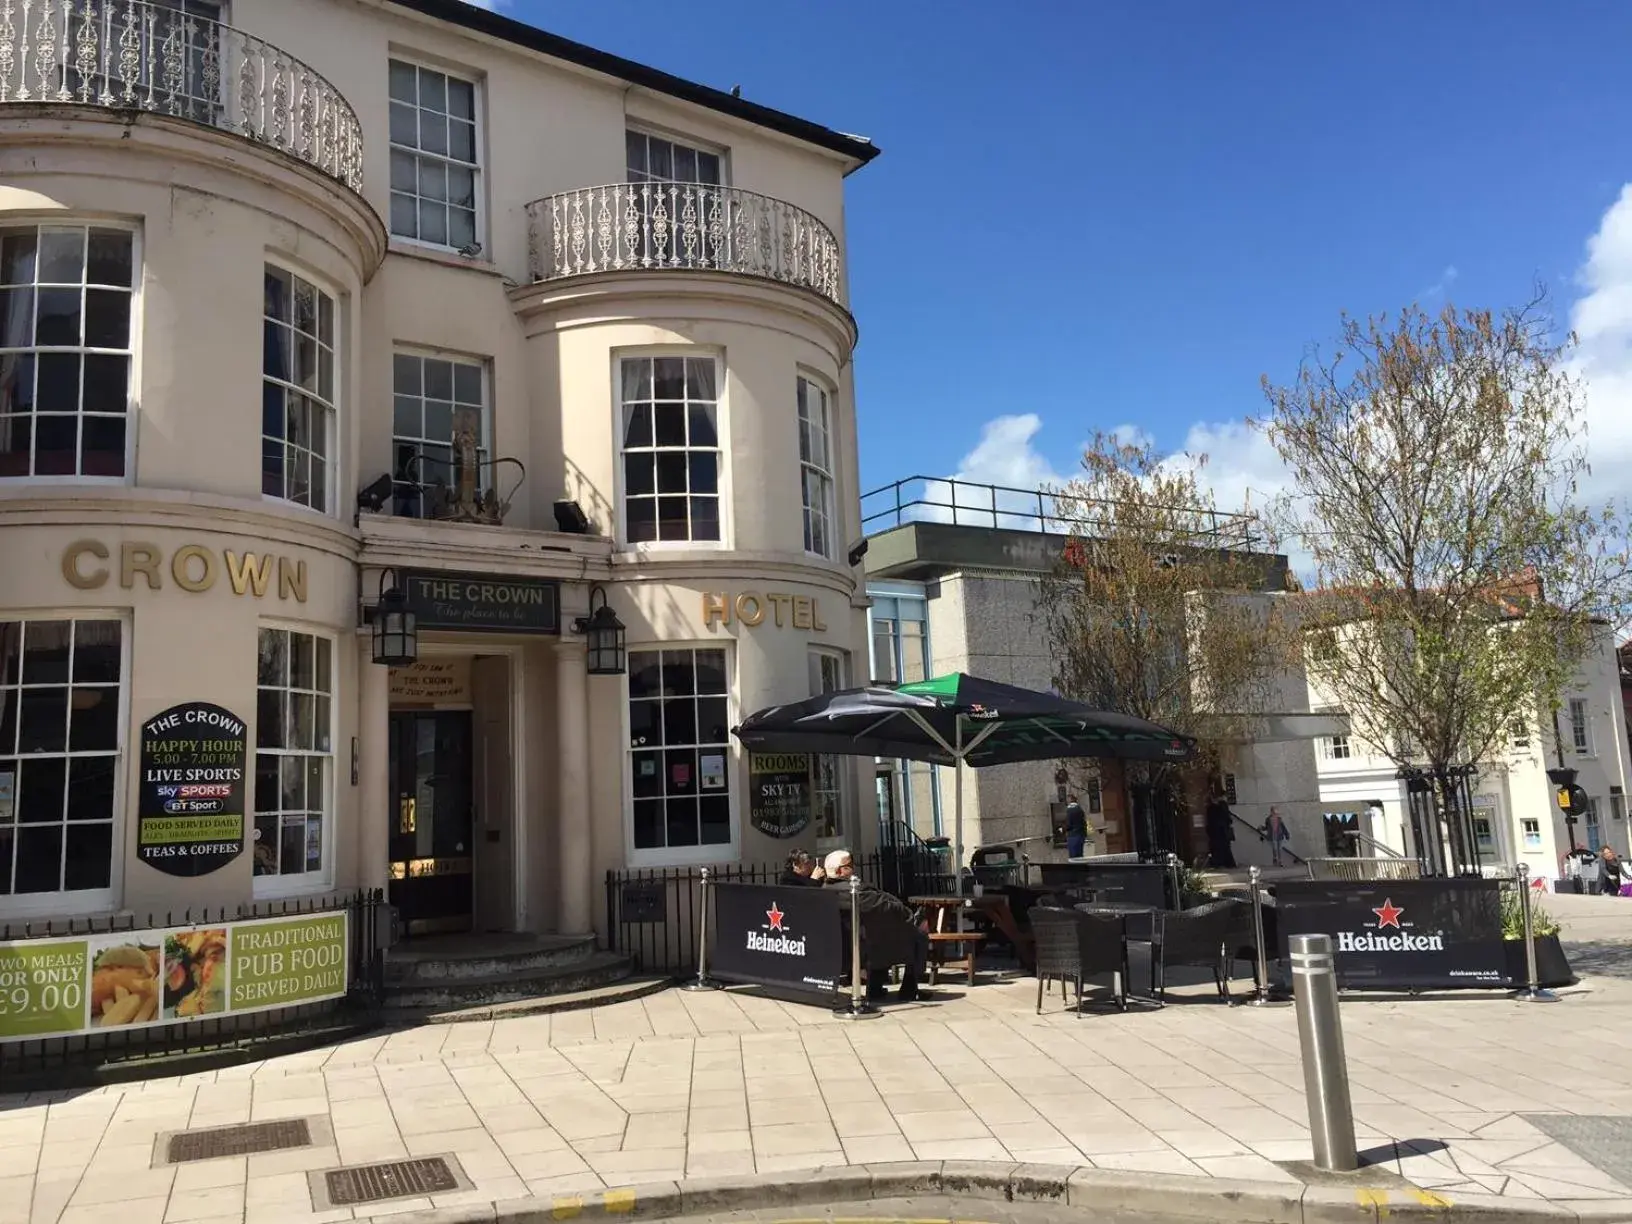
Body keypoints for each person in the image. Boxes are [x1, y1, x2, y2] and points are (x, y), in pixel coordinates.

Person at [824, 850, 929, 1002]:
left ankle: (876, 988)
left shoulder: (826, 889)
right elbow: (890, 907)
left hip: (849, 943)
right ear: (839, 871)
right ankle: (909, 988)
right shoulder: (856, 892)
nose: (853, 868)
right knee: (919, 935)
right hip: (865, 946)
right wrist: (909, 915)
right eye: (849, 865)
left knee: (881, 932)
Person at [1204, 789, 1237, 869]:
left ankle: (1218, 863)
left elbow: (1210, 821)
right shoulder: (1222, 806)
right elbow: (1228, 819)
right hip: (1222, 831)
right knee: (1225, 848)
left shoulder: (1212, 808)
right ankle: (1227, 863)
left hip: (1216, 832)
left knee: (1218, 848)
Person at [1064, 794, 1088, 859]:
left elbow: (1069, 824)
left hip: (1073, 836)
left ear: (1070, 800)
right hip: (1081, 835)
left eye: (1067, 800)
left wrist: (1062, 829)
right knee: (1080, 855)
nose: (1066, 801)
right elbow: (1084, 822)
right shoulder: (1080, 809)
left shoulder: (1070, 810)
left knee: (1073, 857)